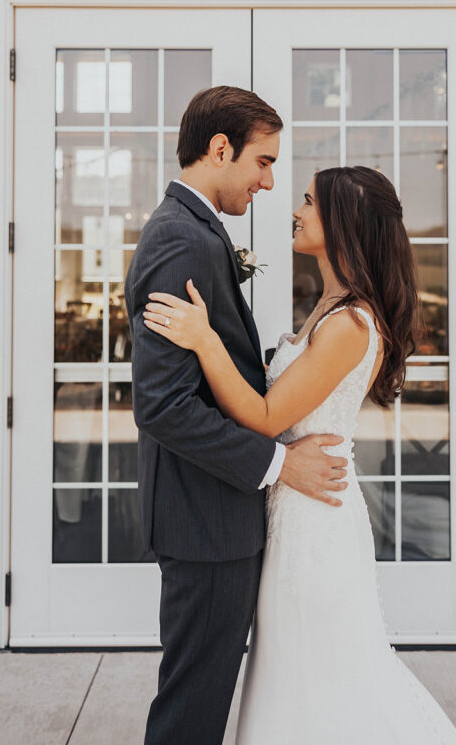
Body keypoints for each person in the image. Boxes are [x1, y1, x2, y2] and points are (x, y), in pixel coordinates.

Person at [144, 165, 456, 745]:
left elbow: (267, 416)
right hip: (289, 508)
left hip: (316, 519)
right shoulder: (330, 307)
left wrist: (204, 340)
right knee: (293, 673)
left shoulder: (350, 323)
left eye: (309, 202)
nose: (294, 209)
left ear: (342, 224)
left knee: (324, 673)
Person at [124, 86, 350, 745]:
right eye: (262, 161)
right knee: (193, 707)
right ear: (220, 148)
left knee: (200, 695)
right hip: (205, 520)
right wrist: (281, 465)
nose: (269, 182)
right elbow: (162, 405)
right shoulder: (182, 239)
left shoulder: (194, 231)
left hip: (209, 516)